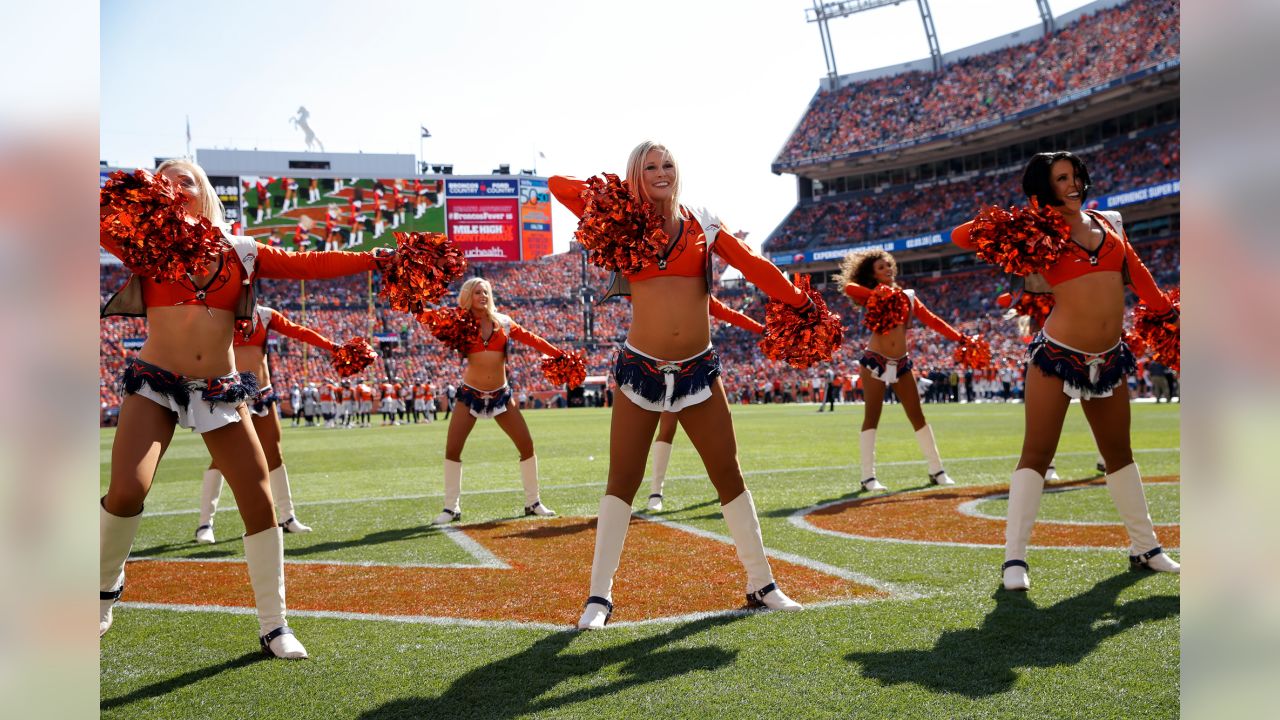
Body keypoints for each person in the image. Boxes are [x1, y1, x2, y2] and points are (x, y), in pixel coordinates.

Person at [100, 159, 391, 658]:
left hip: (219, 386)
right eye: (162, 182)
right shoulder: (144, 245)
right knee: (128, 488)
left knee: (259, 502)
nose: (173, 189)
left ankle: (274, 625)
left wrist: (373, 257)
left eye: (183, 181)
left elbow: (308, 263)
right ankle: (104, 590)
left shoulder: (242, 252)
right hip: (155, 381)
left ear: (204, 191)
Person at [551, 140, 818, 629]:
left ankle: (762, 583)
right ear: (636, 174)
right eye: (649, 166)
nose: (661, 172)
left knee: (728, 474)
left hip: (698, 369)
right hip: (641, 370)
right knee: (621, 482)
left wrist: (801, 303)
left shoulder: (703, 222)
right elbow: (557, 187)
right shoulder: (622, 223)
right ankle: (599, 597)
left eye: (667, 164)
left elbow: (753, 267)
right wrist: (614, 197)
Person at [952, 151, 1181, 590]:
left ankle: (1146, 547)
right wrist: (1024, 216)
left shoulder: (1108, 224)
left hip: (1110, 358)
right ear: (1044, 186)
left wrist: (1174, 316)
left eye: (1076, 176)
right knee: (1036, 453)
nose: (1073, 184)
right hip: (1057, 356)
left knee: (1120, 454)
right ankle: (1014, 560)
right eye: (1061, 178)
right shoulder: (1040, 229)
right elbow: (962, 237)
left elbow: (1144, 281)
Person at [194, 305, 346, 543]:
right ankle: (205, 523)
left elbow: (299, 331)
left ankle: (287, 516)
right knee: (222, 459)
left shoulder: (264, 314)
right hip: (230, 396)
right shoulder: (217, 313)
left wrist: (333, 347)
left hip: (263, 393)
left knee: (274, 454)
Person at [431, 278, 563, 524]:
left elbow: (531, 338)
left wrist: (558, 354)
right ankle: (451, 508)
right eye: (478, 292)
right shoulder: (459, 323)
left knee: (526, 445)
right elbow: (432, 321)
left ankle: (533, 502)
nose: (483, 296)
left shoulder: (503, 322)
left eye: (486, 292)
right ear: (468, 296)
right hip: (470, 394)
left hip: (501, 395)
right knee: (453, 449)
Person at [837, 249, 967, 491]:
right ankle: (868, 477)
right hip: (875, 361)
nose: (887, 269)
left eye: (888, 265)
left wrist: (960, 338)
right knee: (872, 416)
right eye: (880, 267)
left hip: (902, 363)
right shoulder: (873, 295)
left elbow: (932, 319)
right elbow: (850, 288)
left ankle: (937, 470)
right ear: (873, 274)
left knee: (917, 416)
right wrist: (877, 295)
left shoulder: (907, 297)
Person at [645, 297, 763, 512]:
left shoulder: (697, 290)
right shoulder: (662, 291)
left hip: (698, 367)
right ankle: (656, 490)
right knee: (667, 427)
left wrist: (760, 329)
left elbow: (727, 312)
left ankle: (726, 487)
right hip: (666, 367)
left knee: (719, 429)